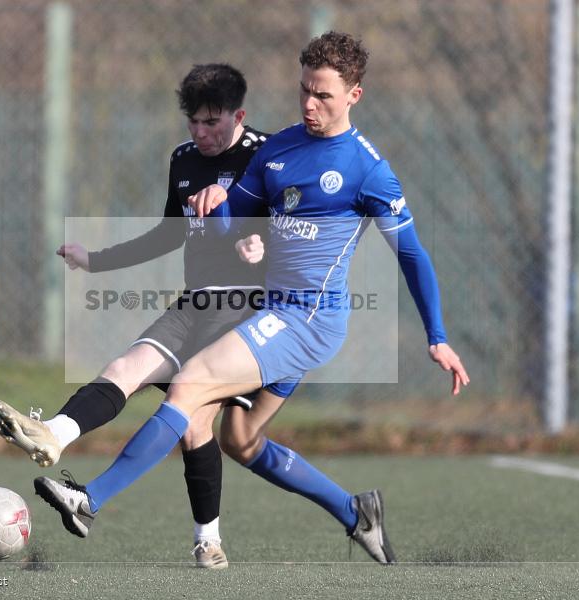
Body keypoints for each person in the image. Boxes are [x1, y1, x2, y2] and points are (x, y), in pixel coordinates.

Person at [30, 31, 470, 565]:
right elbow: (233, 221)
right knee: (240, 440)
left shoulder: (367, 169)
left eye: (324, 95)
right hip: (268, 310)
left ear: (355, 95)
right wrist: (218, 206)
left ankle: (89, 500)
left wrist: (437, 337)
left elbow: (413, 254)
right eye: (304, 90)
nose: (309, 103)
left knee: (189, 387)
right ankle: (355, 511)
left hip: (307, 320)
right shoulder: (280, 148)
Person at [0, 63, 298, 569]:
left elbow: (296, 231)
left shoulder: (267, 156)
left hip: (247, 309)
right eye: (193, 122)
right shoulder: (183, 159)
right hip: (196, 302)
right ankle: (55, 435)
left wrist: (261, 247)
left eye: (212, 122)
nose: (201, 133)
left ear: (238, 116)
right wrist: (96, 260)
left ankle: (201, 536)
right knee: (127, 369)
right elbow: (168, 234)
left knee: (193, 417)